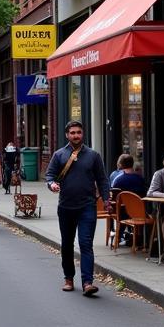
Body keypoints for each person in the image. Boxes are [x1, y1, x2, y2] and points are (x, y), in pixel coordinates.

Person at [45, 121, 109, 296]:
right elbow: (49, 175)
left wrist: (107, 200)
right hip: (66, 207)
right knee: (67, 245)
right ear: (67, 135)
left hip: (87, 206)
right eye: (72, 132)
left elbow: (102, 180)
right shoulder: (59, 155)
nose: (76, 135)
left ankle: (87, 282)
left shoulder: (93, 156)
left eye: (79, 132)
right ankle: (68, 278)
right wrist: (52, 185)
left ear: (83, 134)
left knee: (86, 244)